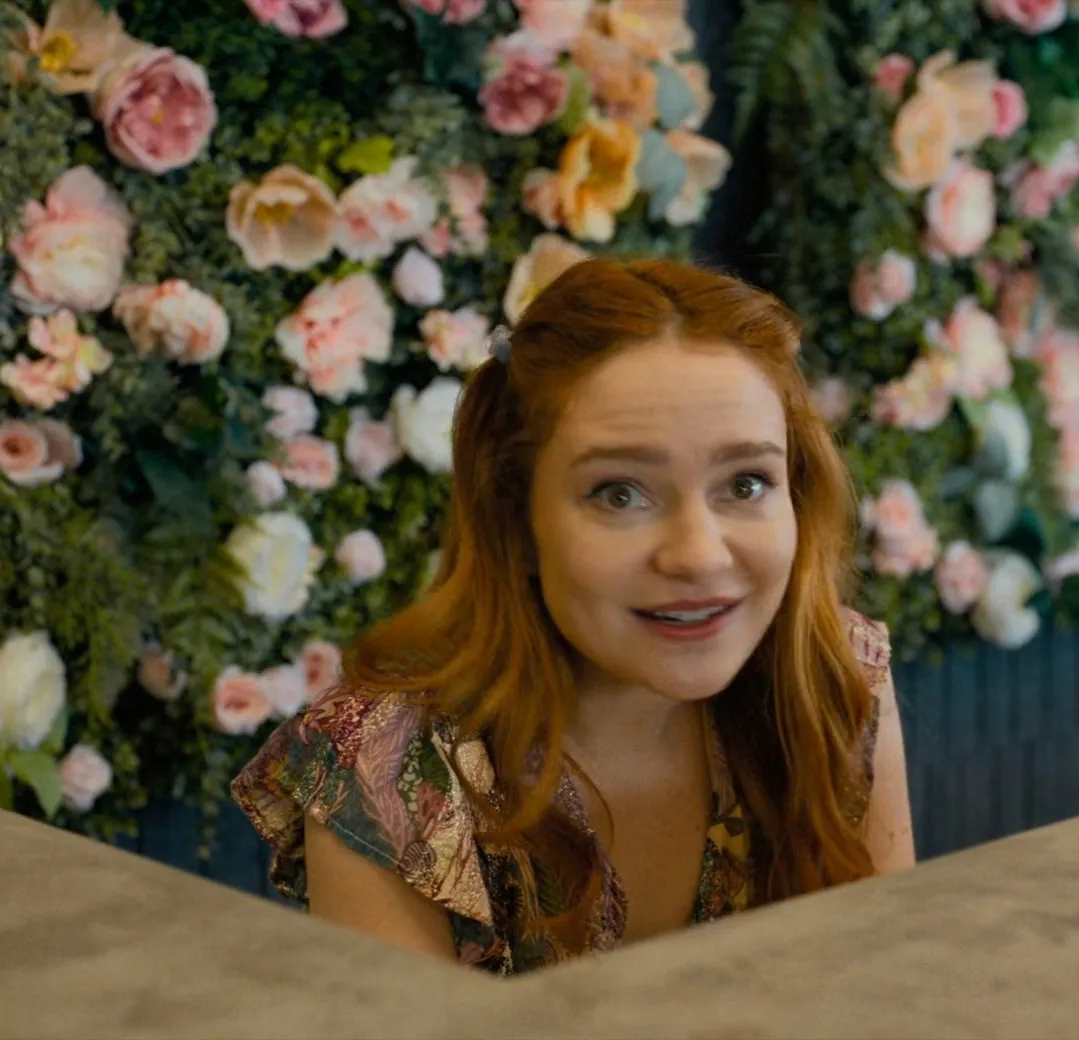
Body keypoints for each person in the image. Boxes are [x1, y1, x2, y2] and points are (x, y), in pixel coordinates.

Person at [232, 257, 913, 975]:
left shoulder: (838, 676)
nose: (699, 556)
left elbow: (890, 994)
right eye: (619, 494)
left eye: (745, 483)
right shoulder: (387, 763)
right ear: (517, 522)